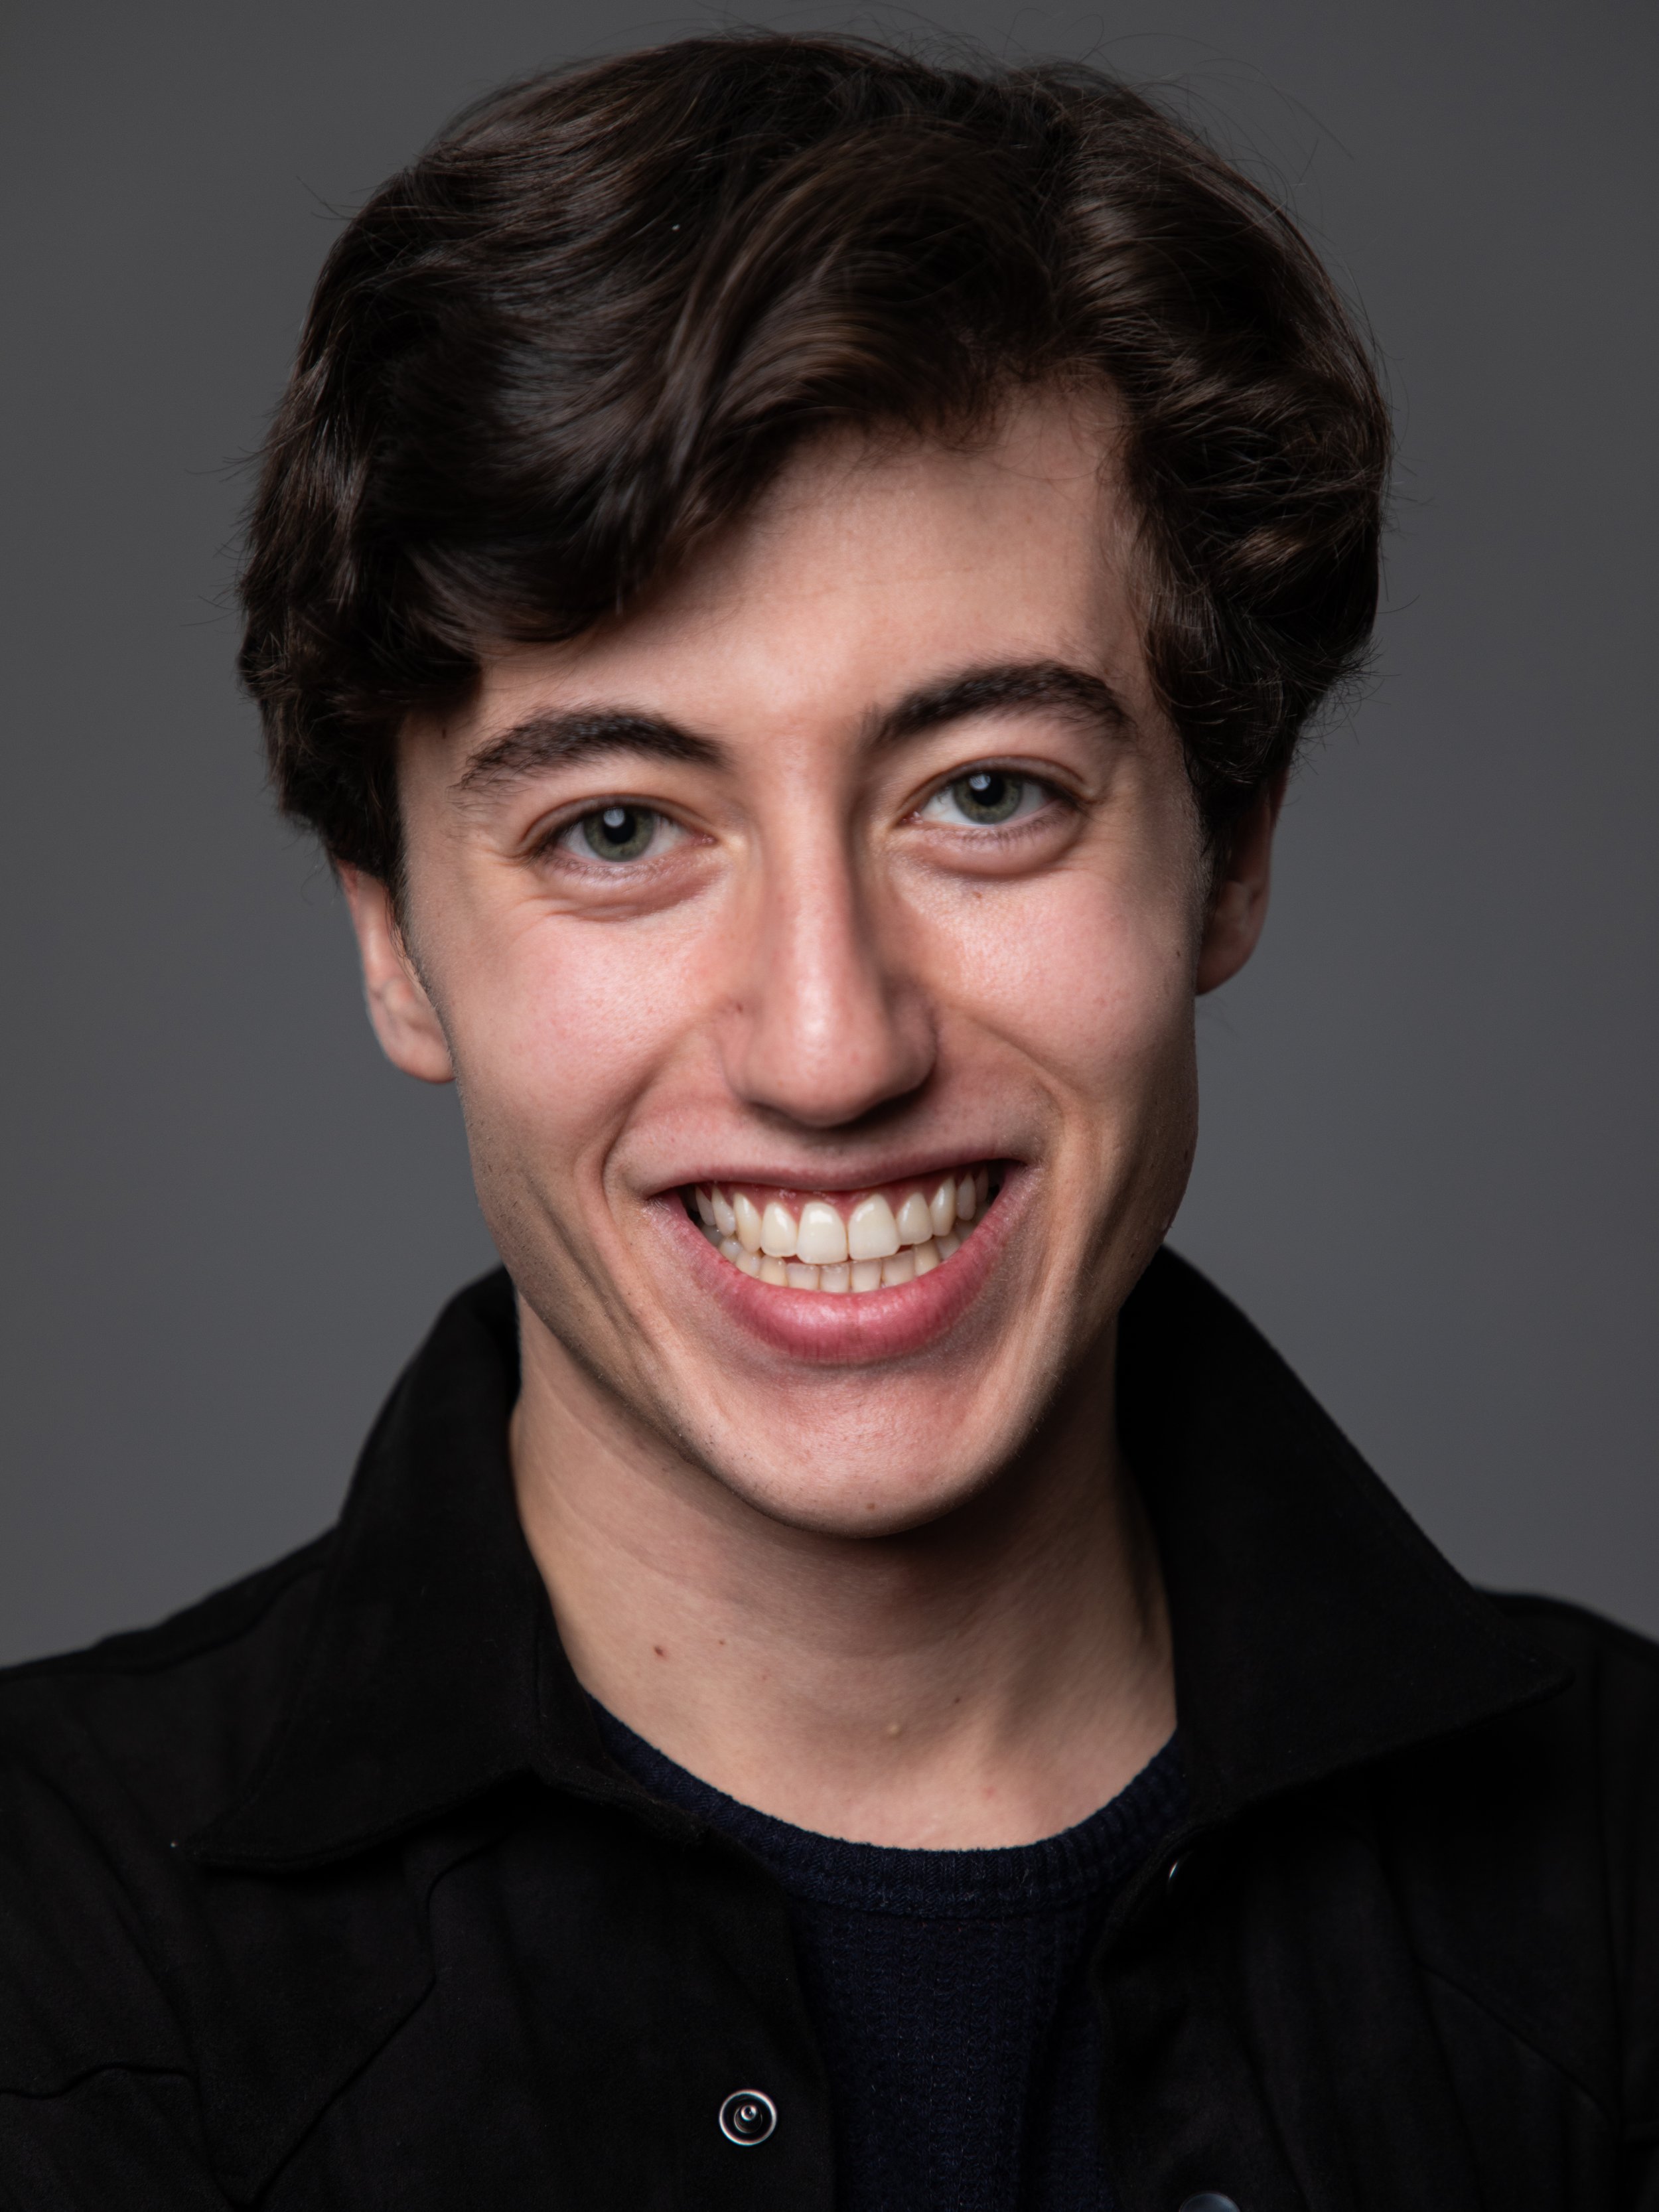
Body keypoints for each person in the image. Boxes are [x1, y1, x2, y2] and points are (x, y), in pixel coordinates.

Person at [1, 31, 1653, 2212]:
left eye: (987, 795)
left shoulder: (1628, 1890)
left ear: (1227, 852)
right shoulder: (46, 1958)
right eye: (616, 827)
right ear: (395, 943)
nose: (827, 1045)